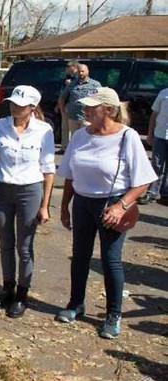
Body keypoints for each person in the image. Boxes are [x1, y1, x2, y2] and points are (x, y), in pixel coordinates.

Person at [56, 87, 157, 339]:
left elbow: (144, 181)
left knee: (111, 261)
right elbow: (69, 174)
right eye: (86, 106)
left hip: (113, 204)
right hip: (82, 202)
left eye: (92, 107)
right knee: (80, 256)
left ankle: (113, 315)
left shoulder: (127, 137)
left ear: (109, 110)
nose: (86, 110)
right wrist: (64, 207)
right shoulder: (80, 135)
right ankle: (75, 304)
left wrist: (121, 206)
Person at [0, 86, 55, 318]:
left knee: (24, 246)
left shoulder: (44, 130)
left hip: (29, 191)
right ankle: (7, 288)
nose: (15, 107)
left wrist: (45, 205)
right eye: (13, 103)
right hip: (2, 189)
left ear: (32, 108)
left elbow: (48, 168)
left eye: (20, 105)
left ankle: (22, 294)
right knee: (5, 243)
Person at [60, 64, 101, 149]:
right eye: (79, 71)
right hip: (73, 116)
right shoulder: (72, 84)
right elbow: (63, 97)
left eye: (83, 71)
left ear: (87, 71)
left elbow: (100, 99)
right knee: (75, 139)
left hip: (87, 117)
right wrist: (63, 110)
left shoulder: (95, 84)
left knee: (86, 138)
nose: (81, 73)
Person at [139, 86, 168, 206]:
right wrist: (149, 134)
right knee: (156, 164)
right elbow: (154, 115)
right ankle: (151, 192)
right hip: (160, 135)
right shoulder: (164, 93)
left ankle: (165, 194)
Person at [55, 60, 80, 149]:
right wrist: (58, 105)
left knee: (72, 127)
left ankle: (71, 147)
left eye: (68, 67)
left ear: (74, 67)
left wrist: (71, 84)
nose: (66, 69)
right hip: (64, 104)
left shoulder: (78, 78)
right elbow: (62, 93)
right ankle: (64, 146)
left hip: (72, 105)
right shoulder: (67, 77)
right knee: (64, 127)